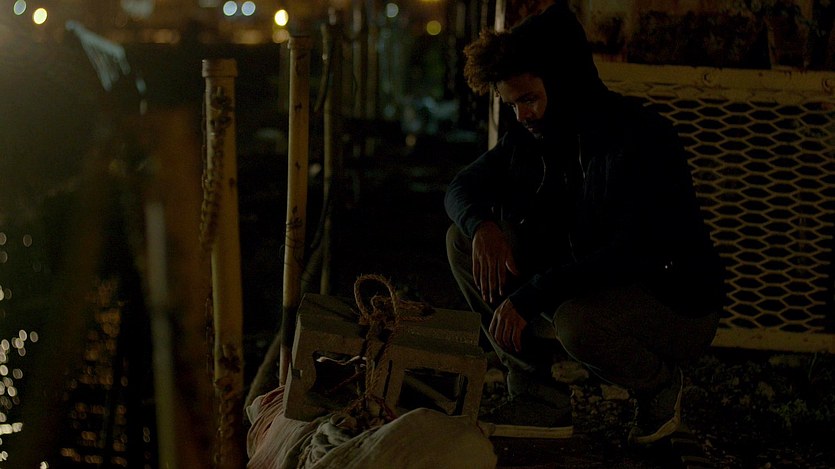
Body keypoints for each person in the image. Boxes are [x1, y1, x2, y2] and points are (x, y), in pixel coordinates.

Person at [445, 1, 725, 445]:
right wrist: (482, 226)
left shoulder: (638, 137)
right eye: (513, 104)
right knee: (462, 240)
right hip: (592, 284)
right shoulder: (535, 136)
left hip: (673, 305)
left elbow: (627, 253)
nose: (522, 115)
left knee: (576, 322)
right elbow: (461, 187)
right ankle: (539, 396)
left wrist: (532, 295)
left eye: (529, 99)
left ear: (563, 82)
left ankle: (659, 389)